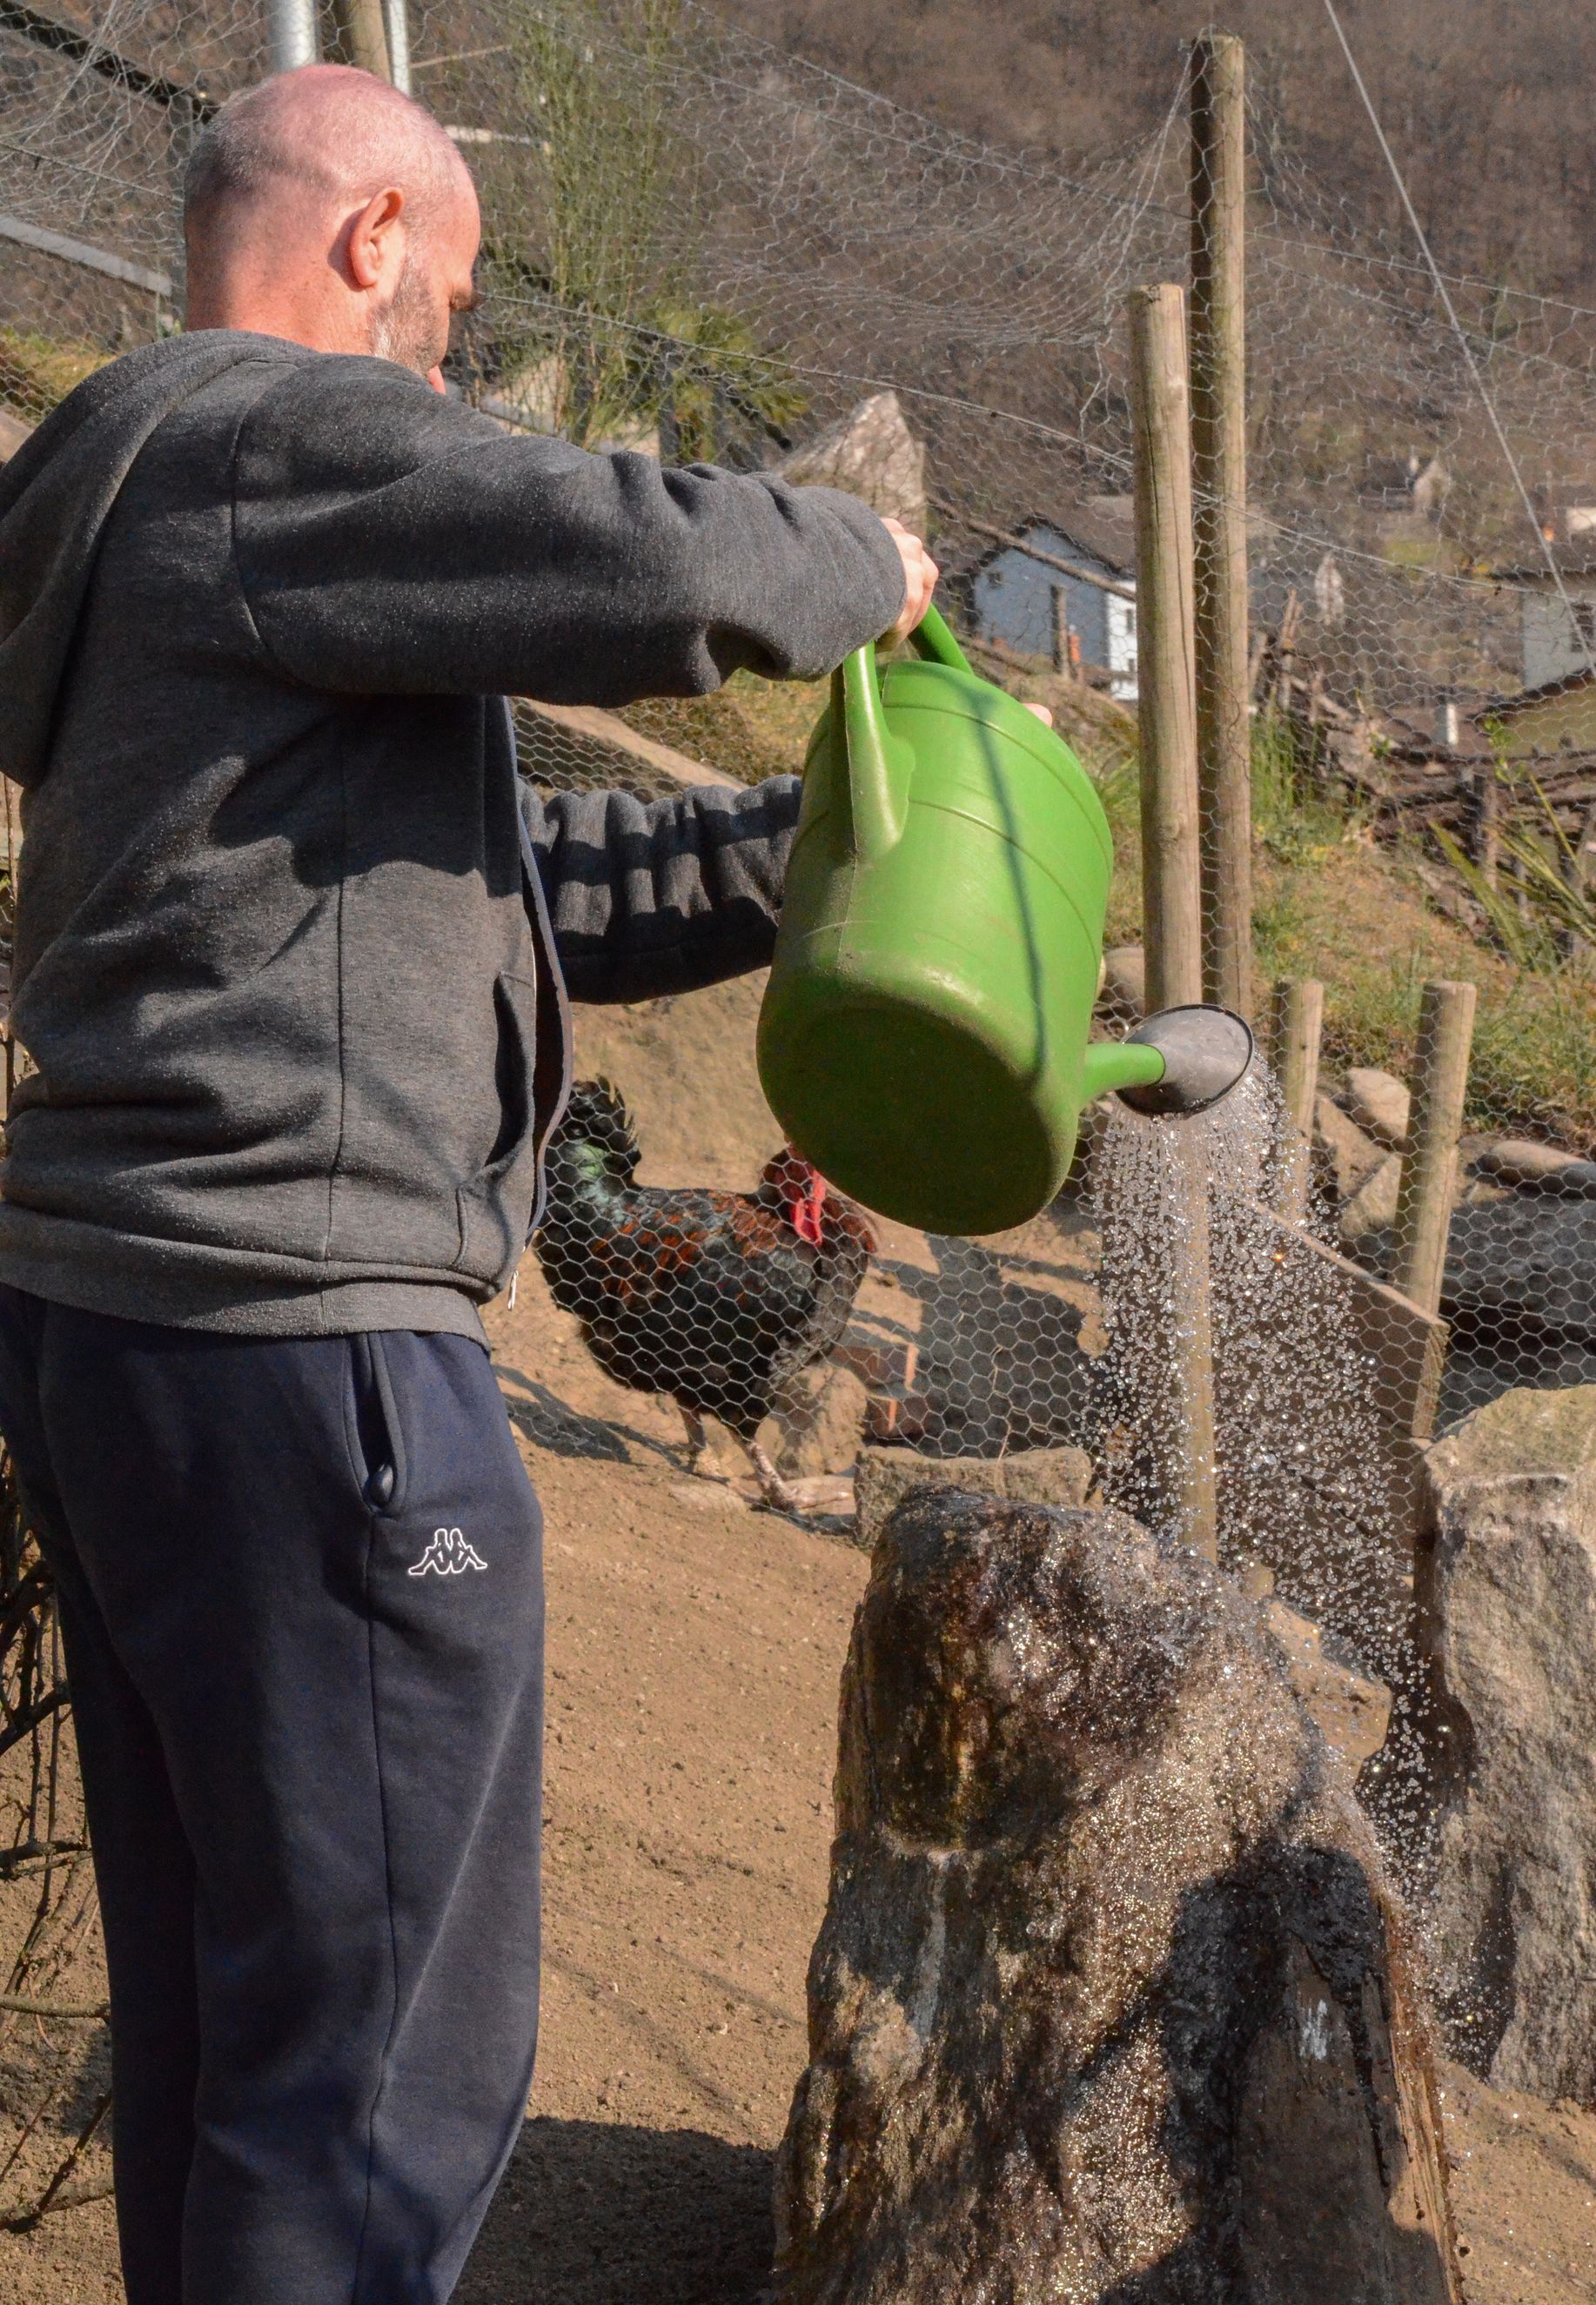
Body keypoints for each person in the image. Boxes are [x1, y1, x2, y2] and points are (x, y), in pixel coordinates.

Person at [0, 63, 936, 2305]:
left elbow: (519, 879)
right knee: (379, 2082)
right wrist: (866, 568)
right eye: (456, 290)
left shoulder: (184, 525)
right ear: (369, 238)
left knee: (243, 2027)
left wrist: (808, 864)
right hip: (307, 1351)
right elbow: (644, 552)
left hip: (124, 1332)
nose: (452, 344)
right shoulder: (268, 439)